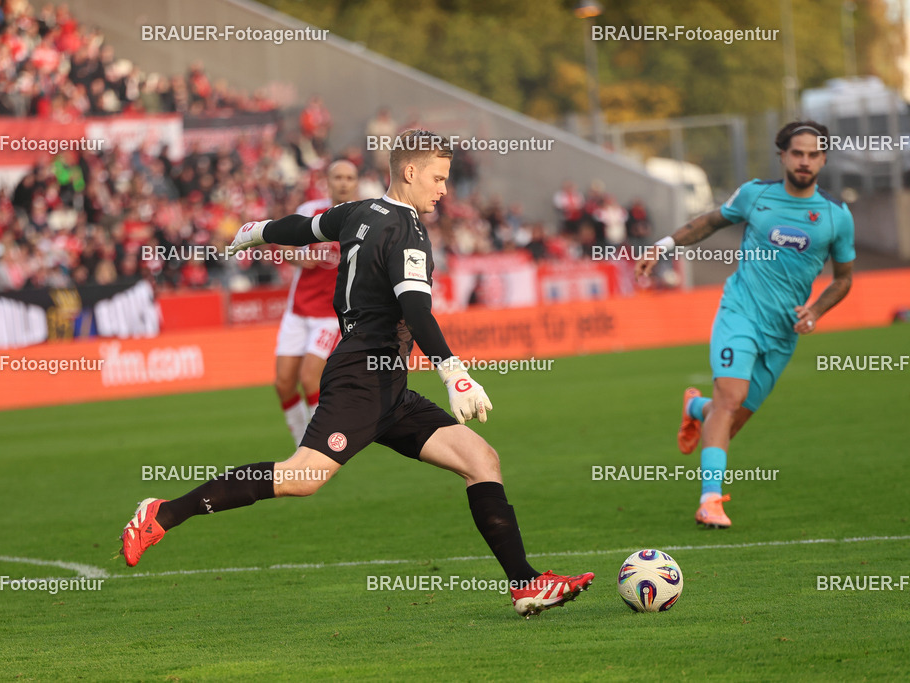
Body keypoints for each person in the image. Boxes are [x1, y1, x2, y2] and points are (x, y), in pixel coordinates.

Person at [121, 130, 594, 618]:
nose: (443, 189)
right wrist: (456, 374)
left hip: (387, 381)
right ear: (409, 172)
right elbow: (417, 308)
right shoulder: (406, 229)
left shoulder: (359, 213)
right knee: (301, 477)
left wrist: (256, 230)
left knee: (481, 459)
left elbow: (304, 228)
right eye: (438, 177)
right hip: (363, 378)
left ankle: (525, 585)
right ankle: (162, 513)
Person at [635, 121, 855, 528]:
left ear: (823, 159)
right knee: (731, 399)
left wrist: (816, 311)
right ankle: (710, 501)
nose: (804, 161)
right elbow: (709, 222)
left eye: (813, 154)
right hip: (740, 312)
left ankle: (696, 407)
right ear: (782, 155)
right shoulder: (756, 194)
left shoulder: (836, 217)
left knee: (729, 418)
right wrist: (663, 246)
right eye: (797, 153)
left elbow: (843, 278)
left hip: (783, 331)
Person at [275, 160, 358, 446]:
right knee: (283, 384)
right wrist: (300, 257)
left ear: (355, 183)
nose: (343, 183)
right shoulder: (310, 212)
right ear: (328, 181)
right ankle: (302, 443)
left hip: (329, 315)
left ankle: (319, 446)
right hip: (298, 310)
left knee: (310, 379)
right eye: (338, 177)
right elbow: (282, 243)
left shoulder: (363, 218)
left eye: (349, 177)